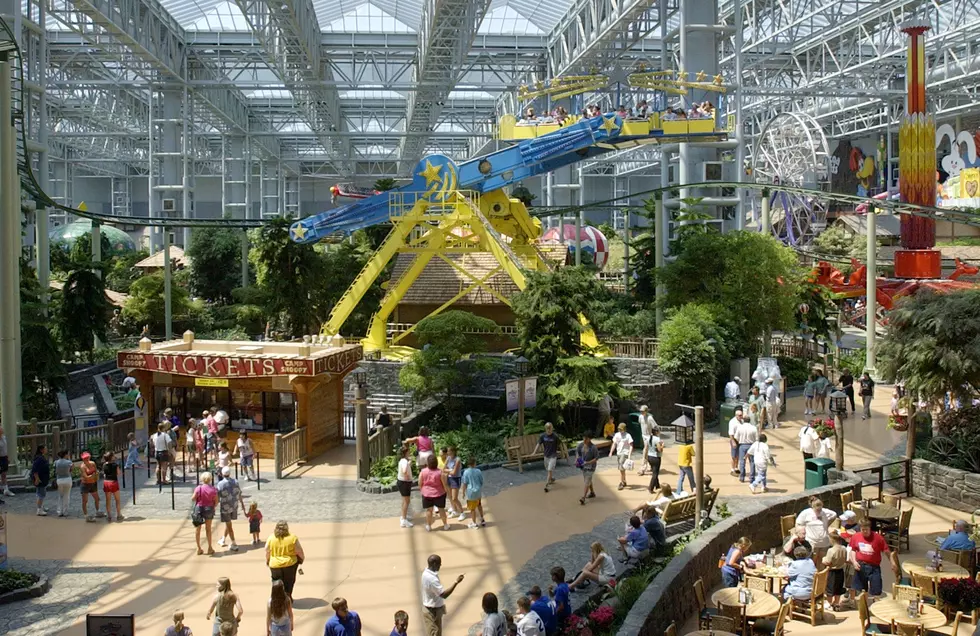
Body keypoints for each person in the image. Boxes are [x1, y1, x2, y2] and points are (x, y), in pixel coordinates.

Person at [849, 518, 900, 602]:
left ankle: (876, 602)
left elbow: (887, 551)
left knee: (876, 589)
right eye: (863, 530)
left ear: (870, 528)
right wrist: (854, 562)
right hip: (860, 565)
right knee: (862, 589)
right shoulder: (856, 537)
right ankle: (864, 605)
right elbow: (853, 550)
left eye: (866, 529)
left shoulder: (878, 538)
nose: (865, 531)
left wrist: (892, 562)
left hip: (874, 567)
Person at [420, 554, 464, 636]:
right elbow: (444, 595)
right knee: (434, 633)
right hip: (432, 612)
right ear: (434, 564)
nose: (440, 565)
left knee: (438, 633)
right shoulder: (431, 579)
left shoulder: (426, 572)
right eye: (439, 564)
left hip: (434, 610)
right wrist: (456, 582)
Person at [266, 520, 304, 598]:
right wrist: (302, 559)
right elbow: (299, 551)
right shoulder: (293, 537)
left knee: (276, 583)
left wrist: (268, 560)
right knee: (289, 583)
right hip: (290, 564)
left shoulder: (271, 538)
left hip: (275, 564)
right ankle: (288, 598)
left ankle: (277, 599)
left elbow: (267, 550)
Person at [797, 496, 837, 564]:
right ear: (812, 506)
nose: (819, 510)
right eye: (817, 508)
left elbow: (834, 514)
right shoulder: (806, 513)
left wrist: (827, 524)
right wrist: (800, 532)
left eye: (820, 508)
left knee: (822, 562)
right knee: (812, 562)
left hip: (824, 543)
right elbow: (799, 523)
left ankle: (820, 574)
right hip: (812, 543)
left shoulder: (825, 512)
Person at [217, 467, 245, 552]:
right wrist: (242, 504)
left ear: (222, 474)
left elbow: (218, 497)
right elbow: (239, 493)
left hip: (225, 507)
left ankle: (234, 543)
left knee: (229, 525)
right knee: (228, 523)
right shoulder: (236, 481)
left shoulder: (220, 484)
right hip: (234, 506)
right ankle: (223, 539)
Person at [419, 454, 450, 532]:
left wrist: (422, 490)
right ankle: (445, 525)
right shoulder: (440, 472)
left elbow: (420, 482)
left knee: (429, 510)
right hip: (439, 493)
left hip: (426, 494)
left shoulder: (423, 471)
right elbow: (444, 484)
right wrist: (447, 491)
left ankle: (429, 526)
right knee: (441, 510)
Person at [193, 472, 218, 555]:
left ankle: (198, 548)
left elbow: (193, 498)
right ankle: (210, 547)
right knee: (208, 529)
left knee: (198, 529)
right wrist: (213, 505)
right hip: (209, 508)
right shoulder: (213, 489)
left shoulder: (198, 488)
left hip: (199, 508)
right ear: (210, 479)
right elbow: (216, 501)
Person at [823, 529, 848, 611]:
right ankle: (836, 603)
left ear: (832, 540)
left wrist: (823, 559)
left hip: (832, 571)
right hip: (841, 570)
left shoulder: (831, 550)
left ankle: (829, 603)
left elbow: (828, 561)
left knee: (830, 589)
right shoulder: (844, 548)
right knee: (838, 588)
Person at [531, 422, 559, 491]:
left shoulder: (555, 436)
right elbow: (538, 444)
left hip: (553, 456)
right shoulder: (543, 436)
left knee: (549, 469)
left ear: (552, 428)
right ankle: (551, 478)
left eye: (550, 429)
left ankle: (547, 485)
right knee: (548, 469)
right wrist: (534, 452)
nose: (549, 430)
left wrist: (560, 451)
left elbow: (560, 444)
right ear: (545, 429)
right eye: (547, 429)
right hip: (546, 455)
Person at [460, 456, 485, 528]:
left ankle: (474, 523)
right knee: (479, 505)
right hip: (478, 492)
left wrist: (463, 492)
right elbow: (481, 481)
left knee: (472, 509)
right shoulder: (478, 471)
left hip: (471, 493)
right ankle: (482, 519)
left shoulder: (466, 472)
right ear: (474, 463)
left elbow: (465, 483)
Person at [734, 409, 758, 483]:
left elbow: (736, 437)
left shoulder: (740, 428)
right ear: (749, 420)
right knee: (752, 462)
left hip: (742, 446)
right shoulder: (754, 428)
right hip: (751, 446)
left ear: (744, 420)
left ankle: (742, 477)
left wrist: (740, 442)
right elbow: (757, 439)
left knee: (742, 462)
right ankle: (752, 478)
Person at [80, 451, 104, 522]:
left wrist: (97, 474)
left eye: (88, 458)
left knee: (97, 498)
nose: (87, 459)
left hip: (93, 483)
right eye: (85, 458)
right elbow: (86, 477)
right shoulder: (82, 467)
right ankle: (86, 515)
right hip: (85, 484)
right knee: (85, 501)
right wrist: (92, 476)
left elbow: (96, 471)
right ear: (83, 459)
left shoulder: (93, 463)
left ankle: (98, 511)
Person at [576, 434, 599, 505]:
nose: (585, 440)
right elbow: (578, 452)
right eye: (584, 438)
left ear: (590, 439)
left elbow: (596, 458)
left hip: (591, 467)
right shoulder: (581, 445)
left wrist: (588, 462)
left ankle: (583, 497)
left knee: (587, 481)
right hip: (583, 466)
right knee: (588, 480)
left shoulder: (593, 447)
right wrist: (577, 459)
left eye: (586, 438)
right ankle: (592, 493)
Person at [609, 423, 634, 491]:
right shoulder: (617, 435)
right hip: (619, 453)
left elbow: (631, 445)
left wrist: (629, 455)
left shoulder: (628, 435)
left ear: (624, 429)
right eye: (619, 429)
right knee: (622, 469)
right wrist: (611, 452)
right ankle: (624, 481)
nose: (620, 430)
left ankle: (621, 482)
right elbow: (614, 444)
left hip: (625, 453)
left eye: (621, 429)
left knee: (621, 468)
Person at [396, 445, 415, 528]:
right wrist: (407, 478)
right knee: (406, 501)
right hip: (404, 483)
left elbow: (405, 467)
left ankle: (403, 516)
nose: (410, 453)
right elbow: (404, 471)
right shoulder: (404, 461)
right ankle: (404, 520)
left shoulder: (403, 460)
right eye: (409, 452)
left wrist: (409, 463)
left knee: (404, 501)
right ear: (406, 453)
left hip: (401, 482)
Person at [101, 451, 122, 522]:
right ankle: (119, 515)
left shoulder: (104, 465)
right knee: (117, 500)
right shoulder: (115, 465)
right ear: (111, 457)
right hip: (113, 482)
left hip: (106, 482)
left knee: (108, 500)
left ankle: (109, 515)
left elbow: (104, 474)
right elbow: (118, 473)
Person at [444, 446, 464, 520]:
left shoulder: (457, 460)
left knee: (454, 498)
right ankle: (455, 511)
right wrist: (450, 470)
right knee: (451, 497)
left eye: (449, 451)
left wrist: (448, 470)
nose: (447, 452)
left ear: (453, 451)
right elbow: (443, 469)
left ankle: (462, 512)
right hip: (449, 478)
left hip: (456, 479)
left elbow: (454, 472)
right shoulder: (448, 458)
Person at [637, 405, 657, 477]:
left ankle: (642, 468)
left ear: (646, 411)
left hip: (649, 436)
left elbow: (655, 427)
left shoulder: (650, 418)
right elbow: (640, 423)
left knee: (645, 451)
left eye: (643, 411)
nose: (641, 412)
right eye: (641, 411)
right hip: (643, 436)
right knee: (648, 451)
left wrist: (654, 437)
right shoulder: (640, 417)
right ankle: (650, 465)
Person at [53, 449, 73, 517]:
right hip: (67, 479)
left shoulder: (56, 462)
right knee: (66, 496)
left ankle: (59, 511)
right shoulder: (68, 462)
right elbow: (71, 469)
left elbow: (55, 471)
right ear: (66, 454)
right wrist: (69, 459)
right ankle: (65, 512)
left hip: (59, 480)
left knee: (60, 496)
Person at [31, 444, 50, 516]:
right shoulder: (39, 458)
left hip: (42, 478)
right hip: (40, 479)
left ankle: (41, 506)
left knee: (40, 493)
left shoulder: (41, 457)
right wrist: (37, 478)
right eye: (45, 449)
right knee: (41, 494)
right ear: (41, 450)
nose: (46, 450)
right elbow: (35, 469)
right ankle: (39, 509)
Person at [645, 425, 664, 493]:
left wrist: (645, 457)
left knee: (654, 471)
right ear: (656, 432)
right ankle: (650, 488)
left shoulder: (648, 438)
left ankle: (657, 485)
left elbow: (646, 448)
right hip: (656, 457)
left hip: (650, 456)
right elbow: (659, 450)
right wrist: (662, 445)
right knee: (655, 473)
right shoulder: (657, 439)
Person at [727, 409, 741, 476]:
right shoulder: (732, 422)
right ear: (736, 415)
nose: (741, 416)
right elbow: (731, 433)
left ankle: (736, 467)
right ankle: (732, 469)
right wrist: (733, 441)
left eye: (741, 415)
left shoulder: (741, 421)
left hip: (740, 440)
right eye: (740, 415)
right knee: (734, 456)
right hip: (734, 440)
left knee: (738, 455)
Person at [0, 426, 11, 503]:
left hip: (4, 457)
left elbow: (5, 448)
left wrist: (7, 457)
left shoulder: (4, 437)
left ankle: (6, 489)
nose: (2, 429)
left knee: (4, 474)